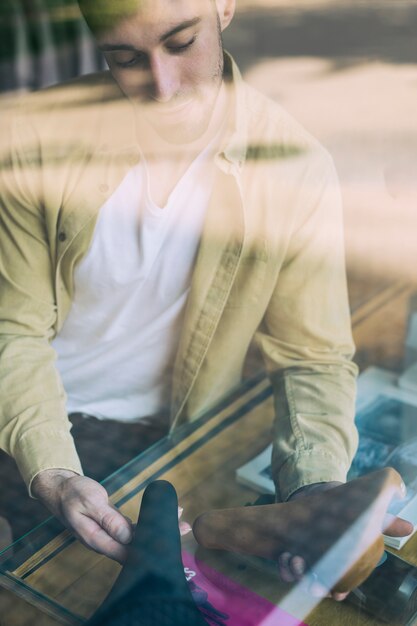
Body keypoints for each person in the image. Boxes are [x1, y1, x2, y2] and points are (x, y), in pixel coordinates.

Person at [0, 0, 411, 597]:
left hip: (157, 436)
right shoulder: (32, 137)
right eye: (125, 58)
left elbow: (311, 358)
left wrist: (316, 490)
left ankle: (284, 520)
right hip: (25, 411)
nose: (162, 87)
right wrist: (54, 471)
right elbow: (11, 331)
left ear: (223, 7)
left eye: (181, 42)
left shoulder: (295, 169)